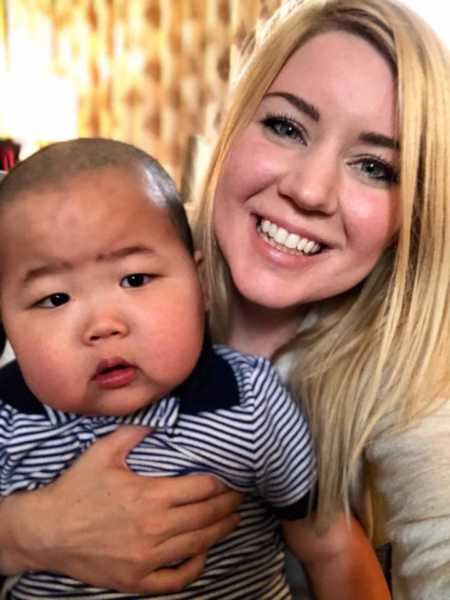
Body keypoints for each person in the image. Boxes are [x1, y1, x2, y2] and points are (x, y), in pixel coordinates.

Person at [0, 0, 448, 598]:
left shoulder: (406, 375)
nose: (310, 191)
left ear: (415, 209)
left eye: (374, 166)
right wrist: (29, 532)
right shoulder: (93, 258)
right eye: (286, 127)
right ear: (233, 125)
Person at [0, 138, 389, 599]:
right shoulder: (7, 418)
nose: (103, 325)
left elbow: (331, 549)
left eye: (136, 279)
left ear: (201, 285)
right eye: (55, 299)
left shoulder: (250, 399)